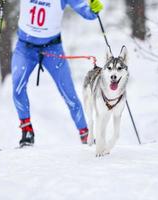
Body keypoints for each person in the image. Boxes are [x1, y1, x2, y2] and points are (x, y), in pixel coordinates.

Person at [11, 0, 103, 146]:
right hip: (25, 48)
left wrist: (94, 8)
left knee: (69, 94)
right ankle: (26, 130)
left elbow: (89, 14)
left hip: (52, 49)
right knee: (17, 87)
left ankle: (85, 134)